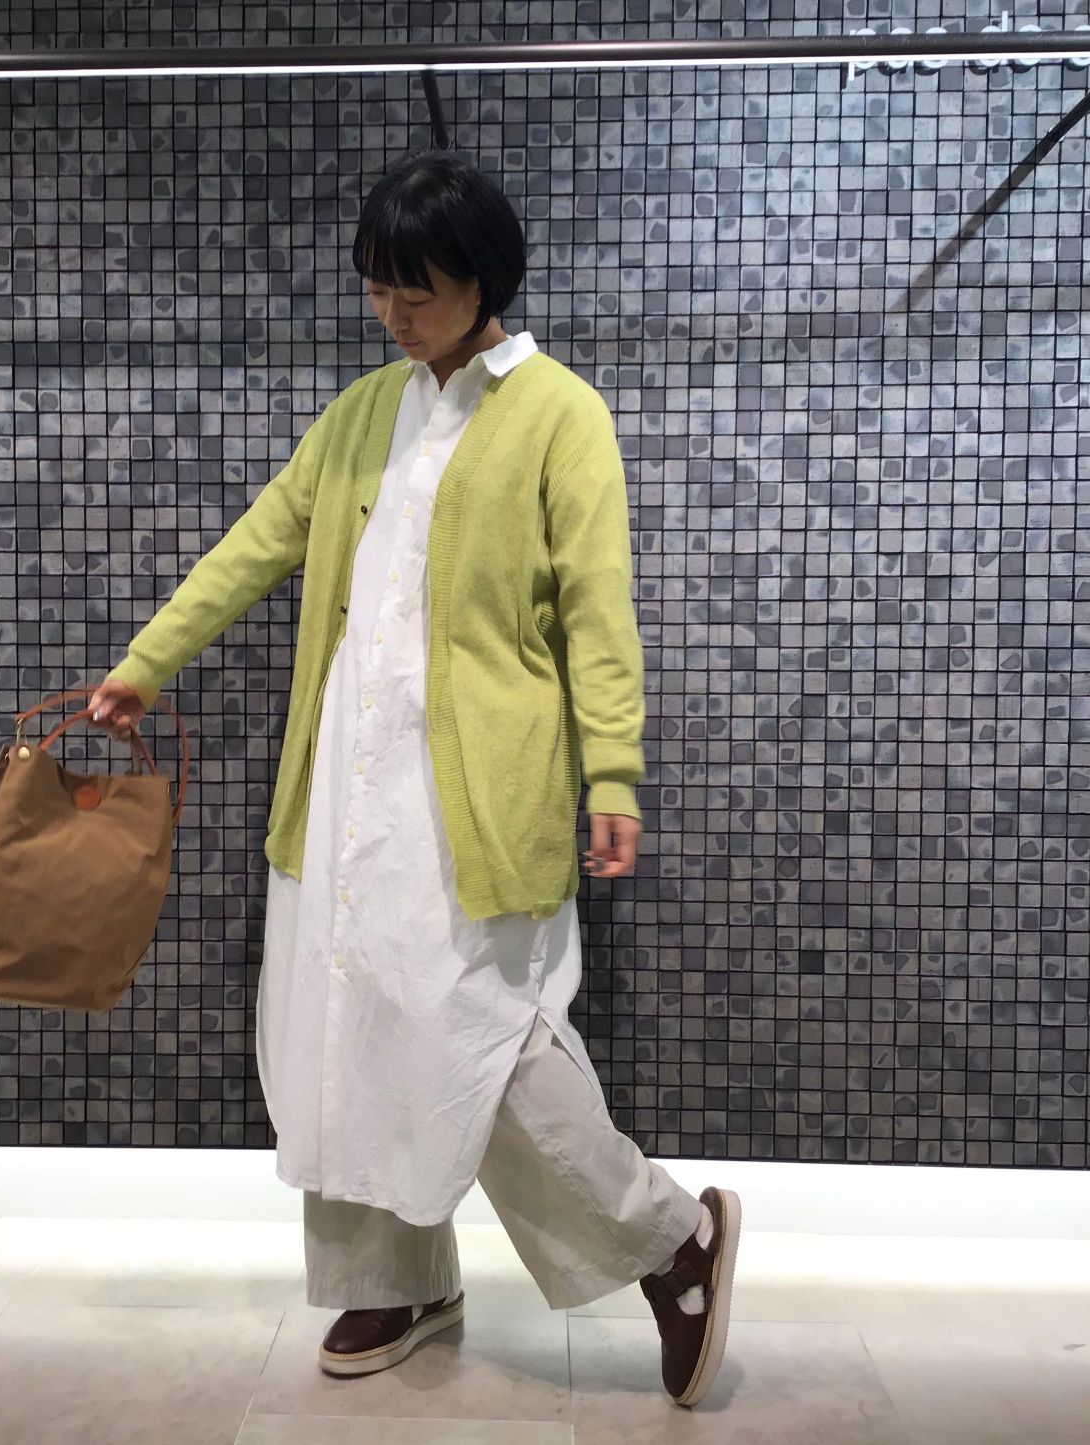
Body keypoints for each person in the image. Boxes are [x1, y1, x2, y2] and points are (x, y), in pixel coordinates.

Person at [87, 149, 741, 1408]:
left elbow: (596, 613)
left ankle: (671, 1239)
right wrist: (147, 662)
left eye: (418, 289)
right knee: (342, 1020)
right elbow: (257, 542)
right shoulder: (360, 413)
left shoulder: (559, 413)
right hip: (343, 778)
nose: (393, 311)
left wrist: (613, 773)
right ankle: (393, 1279)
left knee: (478, 1034)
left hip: (475, 795)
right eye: (378, 286)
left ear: (483, 279)